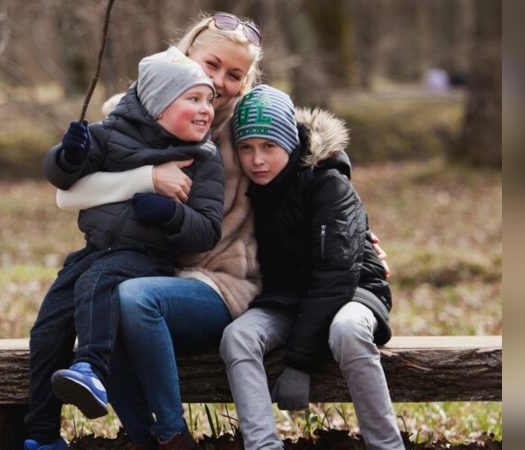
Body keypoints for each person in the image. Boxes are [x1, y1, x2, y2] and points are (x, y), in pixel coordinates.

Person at [53, 12, 389, 450]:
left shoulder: (247, 126)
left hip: (225, 282)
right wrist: (150, 178)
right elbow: (67, 196)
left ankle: (172, 436)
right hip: (150, 267)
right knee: (97, 305)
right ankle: (134, 437)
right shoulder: (137, 117)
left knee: (131, 300)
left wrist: (359, 244)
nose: (220, 82)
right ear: (185, 53)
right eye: (211, 65)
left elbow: (316, 172)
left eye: (235, 74)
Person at [23, 47, 225, 450]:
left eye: (208, 101)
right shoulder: (109, 135)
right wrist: (69, 156)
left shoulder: (202, 159)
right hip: (95, 251)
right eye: (193, 99)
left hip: (145, 259)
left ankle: (91, 367)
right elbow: (62, 178)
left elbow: (205, 230)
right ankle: (42, 435)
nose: (206, 110)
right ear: (157, 105)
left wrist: (169, 214)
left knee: (99, 284)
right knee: (48, 327)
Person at [219, 85, 404, 450]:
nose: (257, 160)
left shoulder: (328, 185)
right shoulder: (249, 190)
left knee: (348, 330)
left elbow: (335, 276)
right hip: (287, 299)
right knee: (237, 337)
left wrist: (299, 364)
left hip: (353, 292)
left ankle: (386, 445)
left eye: (269, 147)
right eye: (247, 148)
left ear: (290, 143)